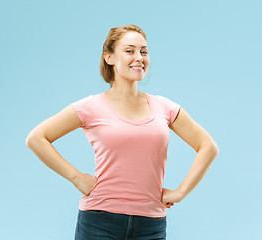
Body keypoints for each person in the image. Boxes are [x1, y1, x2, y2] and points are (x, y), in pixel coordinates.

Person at [25, 24, 219, 240]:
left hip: (151, 223)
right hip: (99, 220)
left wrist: (181, 192)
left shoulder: (165, 107)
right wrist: (76, 177)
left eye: (143, 51)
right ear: (109, 57)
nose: (139, 57)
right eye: (129, 51)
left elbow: (208, 147)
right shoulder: (91, 106)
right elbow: (36, 138)